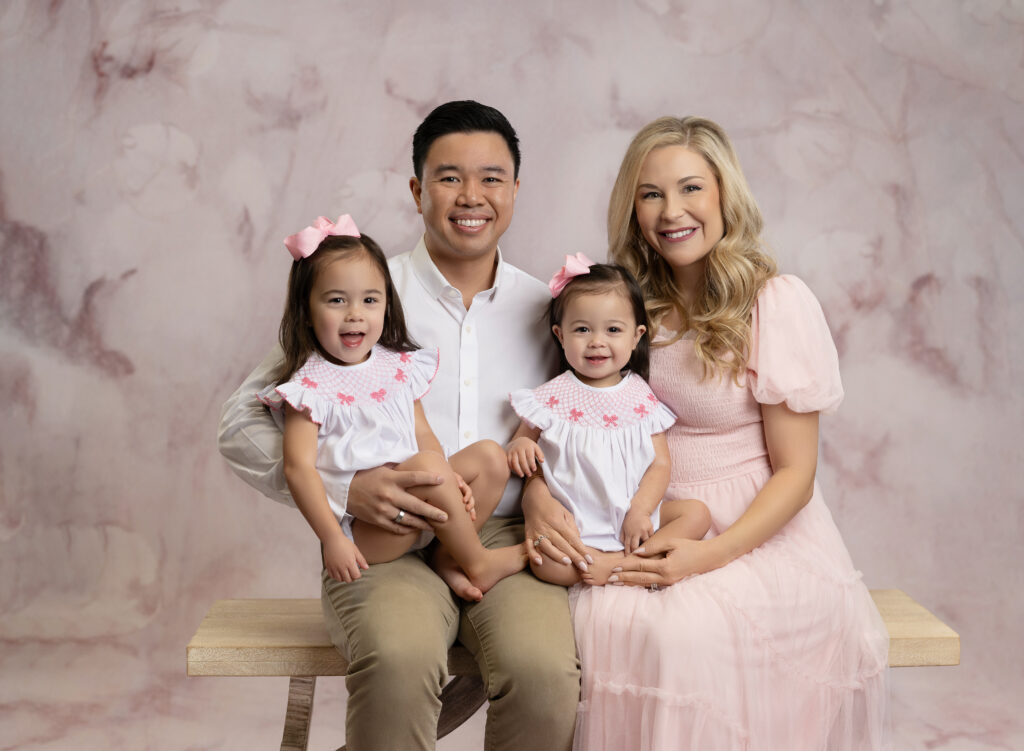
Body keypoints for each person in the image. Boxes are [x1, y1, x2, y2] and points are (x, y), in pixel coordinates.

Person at [218, 101, 579, 751]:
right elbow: (241, 420)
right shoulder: (363, 292)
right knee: (400, 659)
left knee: (545, 673)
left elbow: (571, 422)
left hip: (498, 527)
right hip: (388, 536)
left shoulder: (548, 308)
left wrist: (551, 498)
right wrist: (344, 489)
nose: (471, 196)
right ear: (417, 189)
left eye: (492, 177)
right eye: (448, 177)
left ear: (517, 190)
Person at [524, 116, 890, 750]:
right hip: (633, 510)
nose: (673, 211)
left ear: (725, 195)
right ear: (632, 207)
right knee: (610, 621)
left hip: (752, 527)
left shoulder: (772, 301)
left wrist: (708, 557)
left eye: (692, 188)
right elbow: (568, 418)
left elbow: (796, 475)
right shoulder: (624, 307)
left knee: (684, 634)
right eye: (651, 193)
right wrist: (537, 494)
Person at [259, 217, 524, 592]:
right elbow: (298, 470)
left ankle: (450, 557)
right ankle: (478, 562)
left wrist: (450, 479)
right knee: (429, 466)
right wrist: (334, 539)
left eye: (370, 300)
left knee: (491, 458)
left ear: (386, 303)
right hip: (376, 528)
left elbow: (423, 434)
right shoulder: (309, 388)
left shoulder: (396, 367)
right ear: (306, 310)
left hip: (425, 502)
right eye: (337, 300)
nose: (355, 314)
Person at [506, 255, 710, 586]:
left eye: (613, 330)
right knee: (548, 564)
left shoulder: (641, 396)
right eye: (582, 329)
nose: (597, 341)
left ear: (636, 336)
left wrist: (641, 511)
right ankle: (626, 567)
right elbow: (523, 439)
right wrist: (518, 447)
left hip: (635, 518)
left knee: (697, 514)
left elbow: (660, 464)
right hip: (580, 523)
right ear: (560, 335)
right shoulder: (550, 397)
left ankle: (618, 563)